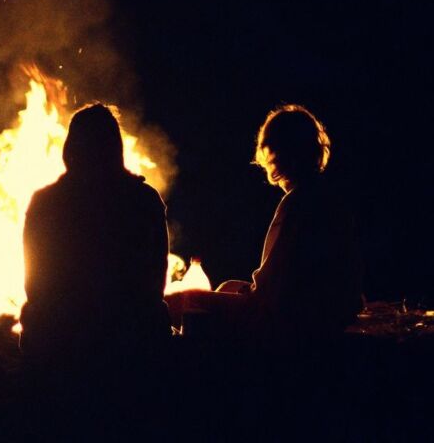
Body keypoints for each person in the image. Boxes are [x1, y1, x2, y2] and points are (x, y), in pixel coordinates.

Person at [165, 104, 363, 340]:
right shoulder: (327, 195)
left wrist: (245, 295)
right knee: (228, 286)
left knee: (180, 301)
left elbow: (270, 290)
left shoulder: (297, 203)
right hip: (329, 310)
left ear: (275, 154)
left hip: (292, 318)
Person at [19, 104, 171, 361]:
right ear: (116, 149)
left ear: (70, 149)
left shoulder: (45, 202)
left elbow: (35, 287)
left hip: (58, 341)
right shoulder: (144, 200)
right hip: (132, 340)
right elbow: (155, 280)